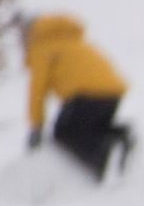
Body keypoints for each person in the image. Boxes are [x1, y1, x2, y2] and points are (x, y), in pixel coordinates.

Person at [22, 14, 134, 182]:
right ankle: (120, 135)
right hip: (113, 92)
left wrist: (36, 127)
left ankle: (96, 171)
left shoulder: (43, 48)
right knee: (92, 130)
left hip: (85, 95)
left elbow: (37, 91)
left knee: (65, 133)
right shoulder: (74, 42)